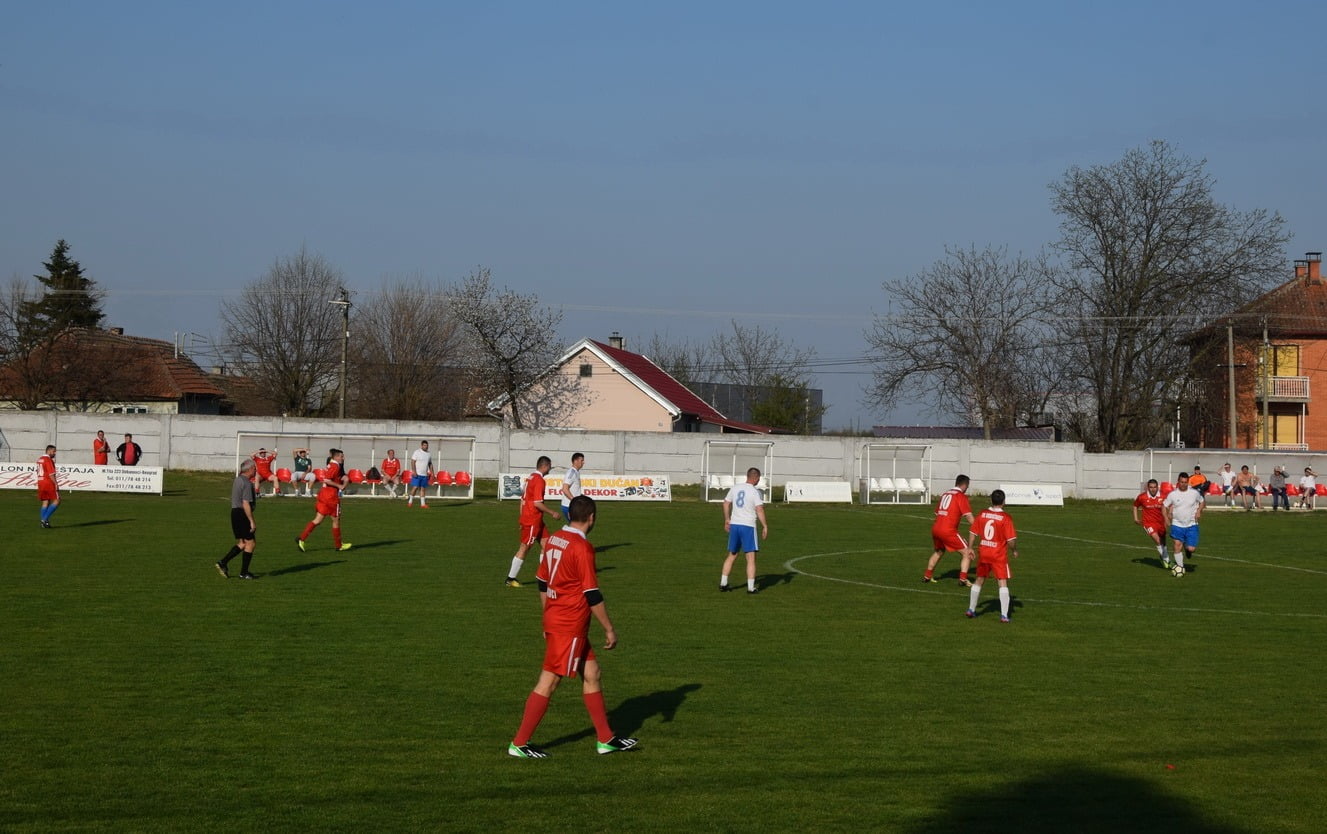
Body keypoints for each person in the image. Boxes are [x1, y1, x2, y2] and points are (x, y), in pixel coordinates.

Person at [507, 495, 638, 759]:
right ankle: (519, 743)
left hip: (560, 620)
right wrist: (609, 629)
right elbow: (592, 594)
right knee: (549, 681)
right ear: (592, 518)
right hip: (569, 624)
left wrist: (547, 614)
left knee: (592, 673)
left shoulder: (555, 538)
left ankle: (605, 739)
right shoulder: (582, 547)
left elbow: (542, 581)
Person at [964, 489, 1018, 622]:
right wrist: (1014, 550)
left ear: (991, 500)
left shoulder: (982, 514)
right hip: (998, 554)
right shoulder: (1006, 518)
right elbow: (1011, 540)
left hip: (984, 553)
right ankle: (1004, 615)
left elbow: (973, 532)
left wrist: (970, 548)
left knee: (979, 580)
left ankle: (971, 609)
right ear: (1003, 502)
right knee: (1002, 582)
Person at [507, 456, 560, 587]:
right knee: (524, 548)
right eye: (549, 467)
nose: (550, 469)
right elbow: (537, 503)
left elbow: (522, 499)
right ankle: (510, 579)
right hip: (532, 520)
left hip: (534, 519)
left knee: (547, 545)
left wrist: (521, 518)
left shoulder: (530, 477)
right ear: (545, 466)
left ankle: (544, 576)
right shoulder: (539, 480)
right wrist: (552, 512)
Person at [720, 467, 769, 594]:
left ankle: (723, 583)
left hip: (735, 525)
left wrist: (727, 519)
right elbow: (759, 509)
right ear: (756, 478)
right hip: (748, 526)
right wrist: (765, 525)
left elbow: (726, 503)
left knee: (732, 555)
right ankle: (751, 588)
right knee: (751, 557)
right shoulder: (754, 492)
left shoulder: (735, 488)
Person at [922, 474, 976, 585]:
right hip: (948, 530)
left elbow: (937, 513)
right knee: (968, 552)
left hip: (936, 528)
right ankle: (963, 579)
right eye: (967, 486)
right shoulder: (960, 496)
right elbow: (969, 516)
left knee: (939, 551)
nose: (967, 488)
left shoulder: (945, 494)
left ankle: (927, 576)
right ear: (965, 485)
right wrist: (979, 528)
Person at [296, 448, 353, 552]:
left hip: (323, 495)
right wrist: (339, 486)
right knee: (336, 520)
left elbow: (335, 477)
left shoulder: (332, 464)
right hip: (331, 497)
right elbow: (327, 480)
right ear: (336, 457)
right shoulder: (335, 466)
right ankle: (339, 545)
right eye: (341, 456)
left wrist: (344, 479)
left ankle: (302, 539)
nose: (343, 458)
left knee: (318, 520)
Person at [216, 459, 259, 579]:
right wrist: (252, 521)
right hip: (242, 514)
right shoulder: (246, 483)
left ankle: (223, 563)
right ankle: (243, 573)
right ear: (249, 469)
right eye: (254, 468)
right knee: (251, 543)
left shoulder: (237, 480)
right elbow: (245, 503)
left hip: (234, 513)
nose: (256, 470)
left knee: (242, 543)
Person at [1162, 471, 1203, 576]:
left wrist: (1199, 511)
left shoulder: (1194, 493)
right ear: (1178, 482)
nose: (1183, 484)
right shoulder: (1173, 494)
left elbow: (1202, 501)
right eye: (1181, 482)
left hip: (1192, 524)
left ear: (1188, 482)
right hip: (1177, 524)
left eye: (1185, 482)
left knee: (1191, 548)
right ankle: (1180, 567)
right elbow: (1164, 506)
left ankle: (1187, 549)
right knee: (1177, 545)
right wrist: (1166, 517)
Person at [1132, 478, 1168, 563]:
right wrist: (1136, 518)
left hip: (1161, 522)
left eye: (1155, 487)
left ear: (1157, 487)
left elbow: (1170, 506)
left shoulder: (1163, 496)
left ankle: (1163, 555)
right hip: (1148, 523)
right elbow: (1135, 506)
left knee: (1163, 542)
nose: (1153, 489)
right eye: (1151, 487)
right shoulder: (1142, 497)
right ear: (1148, 488)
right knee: (1157, 540)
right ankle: (1167, 561)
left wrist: (1168, 516)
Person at [37, 444, 60, 528]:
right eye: (54, 451)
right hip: (48, 482)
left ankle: (44, 523)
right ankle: (44, 519)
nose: (55, 453)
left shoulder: (40, 459)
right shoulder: (48, 460)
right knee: (57, 500)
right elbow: (51, 474)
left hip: (40, 482)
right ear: (49, 451)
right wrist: (56, 483)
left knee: (45, 502)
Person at [408, 440, 433, 508]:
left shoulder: (428, 454)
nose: (426, 446)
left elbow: (430, 464)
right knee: (415, 487)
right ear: (421, 446)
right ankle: (410, 502)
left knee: (423, 488)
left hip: (424, 475)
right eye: (424, 445)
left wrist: (432, 473)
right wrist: (414, 471)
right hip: (417, 474)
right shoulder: (417, 452)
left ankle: (423, 504)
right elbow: (413, 461)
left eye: (427, 445)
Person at [559, 452, 585, 521]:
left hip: (572, 506)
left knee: (577, 525)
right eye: (582, 460)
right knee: (577, 525)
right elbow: (565, 489)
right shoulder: (571, 473)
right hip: (569, 506)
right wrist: (574, 501)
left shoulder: (576, 472)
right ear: (575, 461)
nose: (583, 462)